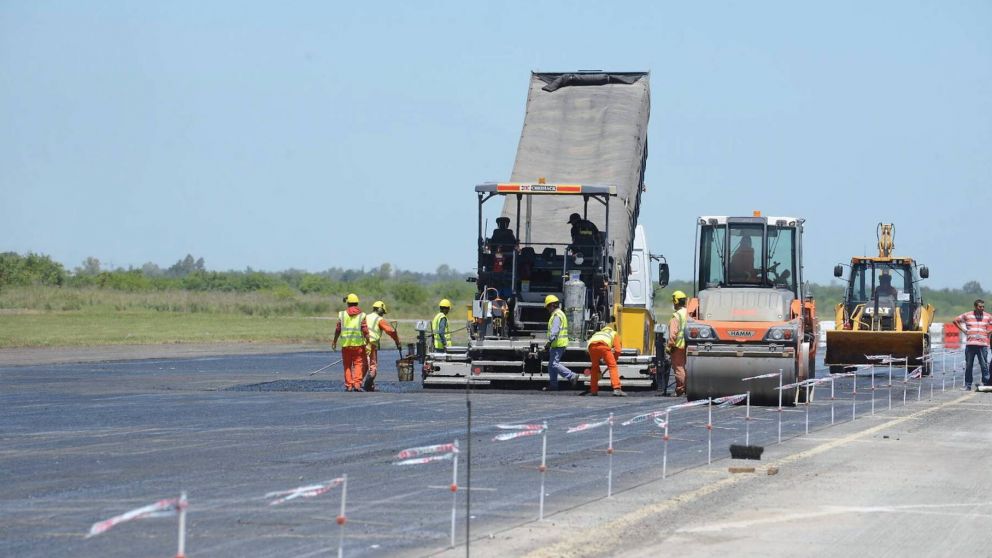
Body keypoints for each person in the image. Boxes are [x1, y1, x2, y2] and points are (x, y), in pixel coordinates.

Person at [331, 293, 370, 392]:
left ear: (348, 303)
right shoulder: (362, 315)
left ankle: (349, 385)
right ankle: (357, 384)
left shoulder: (342, 314)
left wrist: (334, 341)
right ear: (357, 303)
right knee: (358, 364)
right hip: (358, 346)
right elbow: (365, 330)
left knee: (347, 365)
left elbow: (338, 329)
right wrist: (368, 342)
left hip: (346, 345)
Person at [954, 299, 992, 390]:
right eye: (980, 306)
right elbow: (955, 320)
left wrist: (989, 331)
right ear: (975, 307)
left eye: (983, 306)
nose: (982, 308)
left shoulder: (987, 316)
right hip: (970, 344)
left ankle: (986, 384)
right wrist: (963, 330)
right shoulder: (968, 315)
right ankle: (968, 385)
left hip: (983, 345)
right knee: (969, 365)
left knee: (984, 365)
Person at [364, 300, 402, 391]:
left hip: (361, 344)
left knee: (363, 364)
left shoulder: (365, 317)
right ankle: (368, 386)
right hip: (371, 344)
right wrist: (398, 342)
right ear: (380, 309)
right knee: (373, 367)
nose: (383, 315)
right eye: (383, 312)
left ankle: (357, 384)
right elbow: (391, 331)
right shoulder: (379, 320)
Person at [544, 294, 578, 390]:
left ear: (552, 305)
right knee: (551, 366)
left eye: (548, 307)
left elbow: (555, 330)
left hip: (558, 344)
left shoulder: (556, 315)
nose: (547, 309)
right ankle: (553, 385)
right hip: (558, 343)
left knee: (554, 364)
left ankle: (572, 376)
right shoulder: (560, 314)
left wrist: (549, 342)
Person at [582, 325, 625, 397]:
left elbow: (594, 344)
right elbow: (618, 350)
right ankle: (617, 389)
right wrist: (614, 359)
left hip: (591, 347)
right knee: (612, 366)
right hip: (603, 346)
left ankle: (594, 390)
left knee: (594, 368)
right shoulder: (614, 333)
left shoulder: (598, 333)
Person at [666, 290, 688, 396]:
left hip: (678, 346)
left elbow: (673, 334)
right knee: (685, 368)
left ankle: (681, 389)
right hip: (688, 345)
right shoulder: (689, 313)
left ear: (675, 301)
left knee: (679, 368)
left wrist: (670, 346)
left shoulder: (677, 316)